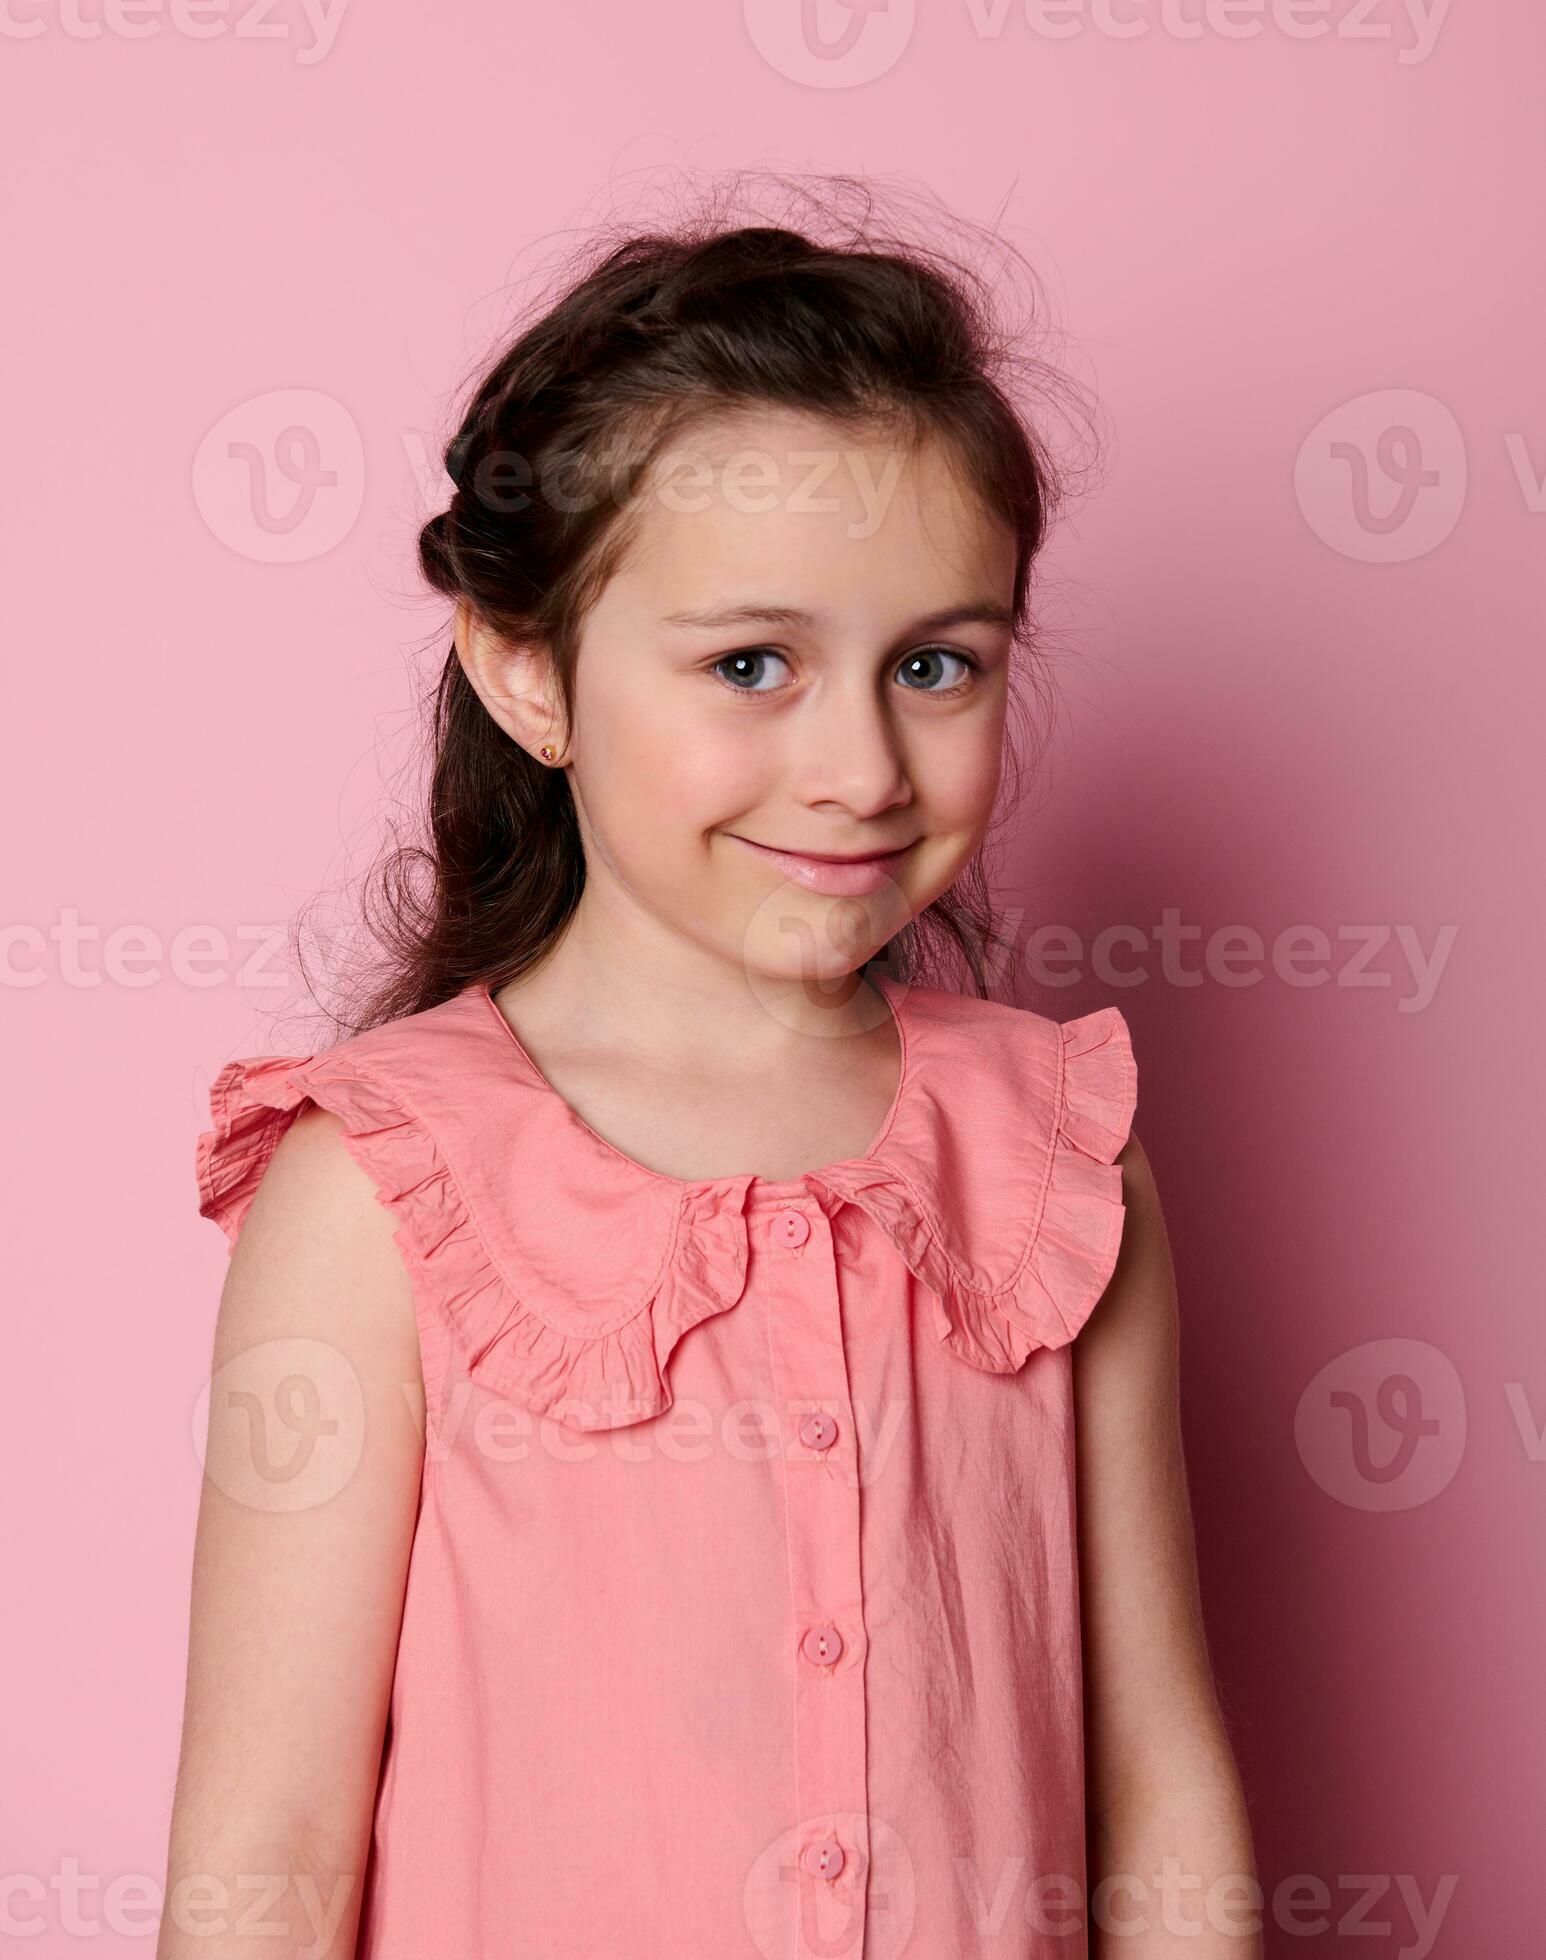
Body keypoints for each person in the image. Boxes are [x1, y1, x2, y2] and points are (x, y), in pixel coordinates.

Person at [158, 186, 1258, 1960]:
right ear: (527, 674)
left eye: (934, 665)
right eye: (750, 663)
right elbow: (267, 1843)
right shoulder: (374, 1182)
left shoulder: (1061, 1156)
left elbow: (1161, 1779)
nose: (857, 767)